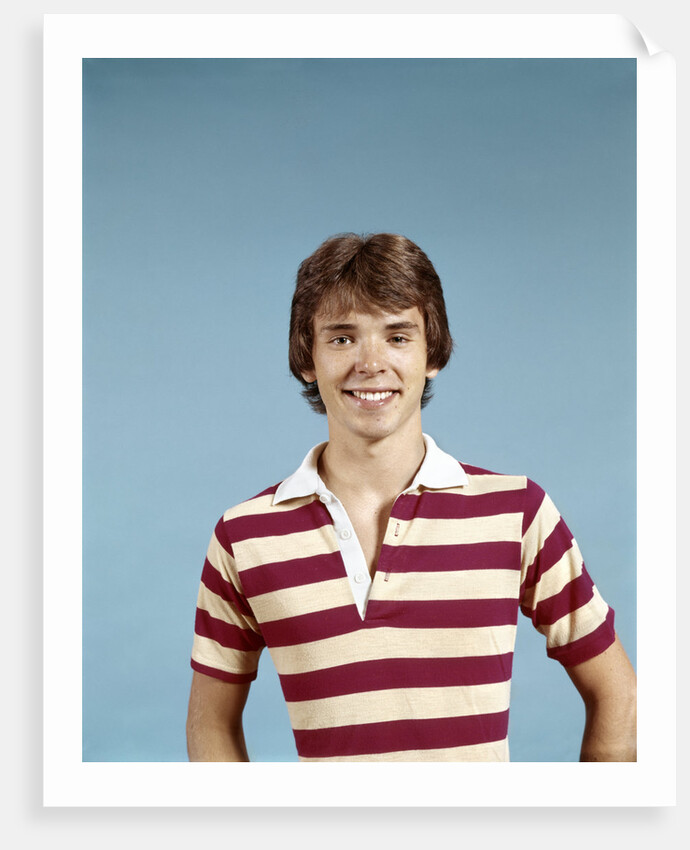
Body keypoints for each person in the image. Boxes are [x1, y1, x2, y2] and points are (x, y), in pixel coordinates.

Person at [186, 232, 637, 762]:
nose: (370, 363)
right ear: (307, 359)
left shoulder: (518, 512)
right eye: (342, 338)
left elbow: (620, 696)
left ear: (433, 354)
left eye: (398, 336)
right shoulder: (244, 536)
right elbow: (210, 724)